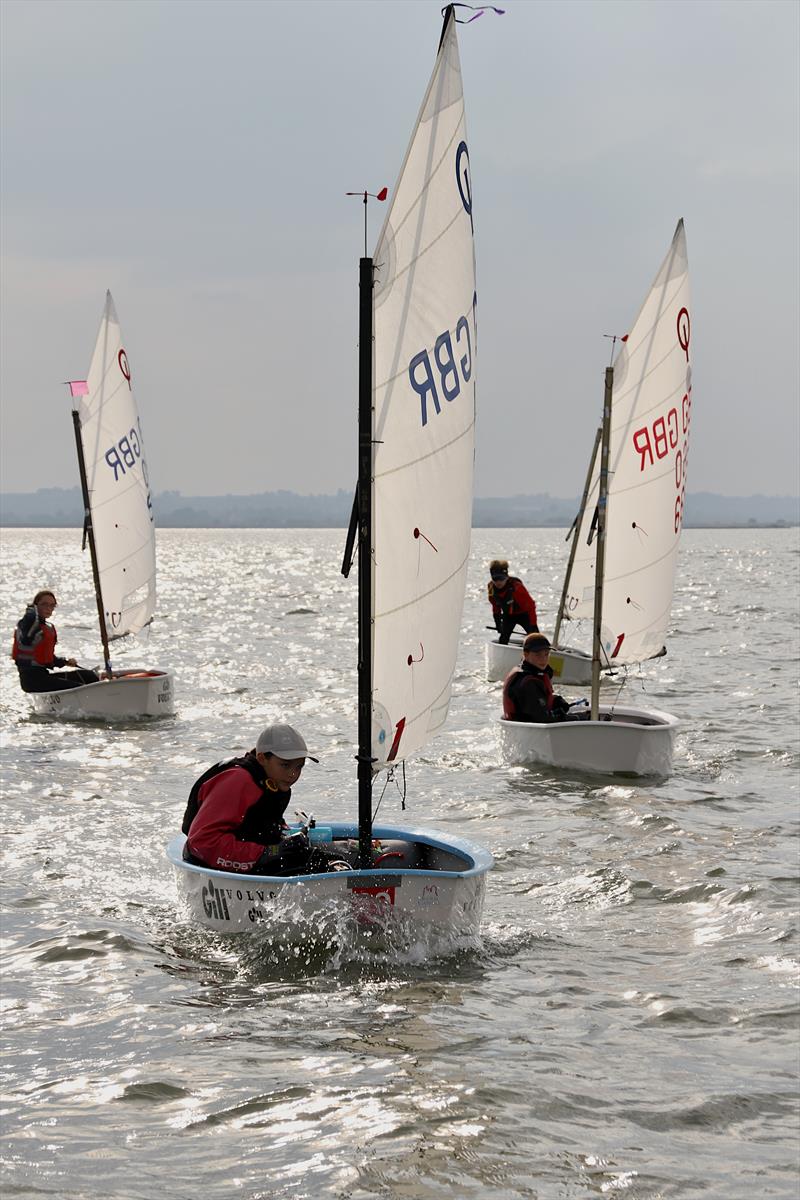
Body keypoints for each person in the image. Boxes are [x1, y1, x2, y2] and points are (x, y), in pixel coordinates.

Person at [183, 723, 335, 876]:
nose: (293, 774)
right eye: (285, 765)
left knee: (328, 856)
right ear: (262, 758)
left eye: (299, 767)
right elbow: (201, 843)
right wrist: (268, 852)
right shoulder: (238, 781)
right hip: (210, 864)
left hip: (251, 854)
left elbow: (261, 822)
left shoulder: (274, 782)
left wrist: (284, 841)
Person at [12, 590, 100, 693]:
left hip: (44, 676)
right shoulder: (27, 623)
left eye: (52, 605)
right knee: (80, 688)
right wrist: (31, 612)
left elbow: (47, 657)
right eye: (44, 604)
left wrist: (65, 661)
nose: (48, 608)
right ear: (36, 605)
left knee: (88, 675)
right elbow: (26, 638)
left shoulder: (46, 627)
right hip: (31, 681)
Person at [502, 632, 586, 723]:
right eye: (538, 655)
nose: (543, 659)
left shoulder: (534, 673)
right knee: (587, 717)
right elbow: (541, 718)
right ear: (526, 654)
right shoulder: (527, 683)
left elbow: (539, 702)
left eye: (546, 654)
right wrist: (576, 718)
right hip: (533, 730)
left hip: (537, 725)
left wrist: (556, 701)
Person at [487, 559, 539, 644]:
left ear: (506, 577)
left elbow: (531, 606)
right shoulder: (491, 588)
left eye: (501, 578)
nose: (498, 582)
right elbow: (495, 606)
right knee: (503, 638)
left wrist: (533, 625)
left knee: (535, 639)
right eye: (495, 579)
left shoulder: (517, 588)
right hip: (509, 616)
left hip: (524, 615)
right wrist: (498, 623)